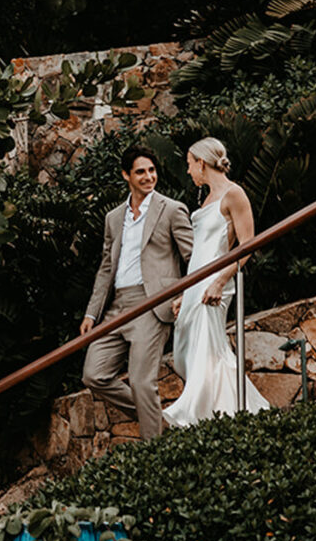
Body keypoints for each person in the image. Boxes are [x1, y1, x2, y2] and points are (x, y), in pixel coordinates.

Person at [81, 145, 193, 440]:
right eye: (140, 171)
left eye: (152, 170)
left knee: (143, 383)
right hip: (117, 307)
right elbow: (106, 268)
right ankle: (157, 421)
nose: (148, 177)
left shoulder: (171, 209)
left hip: (152, 303)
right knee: (93, 374)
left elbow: (193, 256)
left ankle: (153, 452)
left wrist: (185, 293)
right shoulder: (114, 218)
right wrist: (92, 313)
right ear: (126, 175)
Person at [163, 137, 271, 428]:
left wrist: (220, 281)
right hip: (196, 283)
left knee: (207, 349)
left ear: (201, 162)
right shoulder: (207, 197)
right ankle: (227, 413)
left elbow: (247, 245)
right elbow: (198, 251)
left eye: (189, 165)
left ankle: (202, 415)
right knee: (188, 349)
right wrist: (185, 292)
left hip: (216, 283)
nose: (188, 172)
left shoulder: (234, 194)